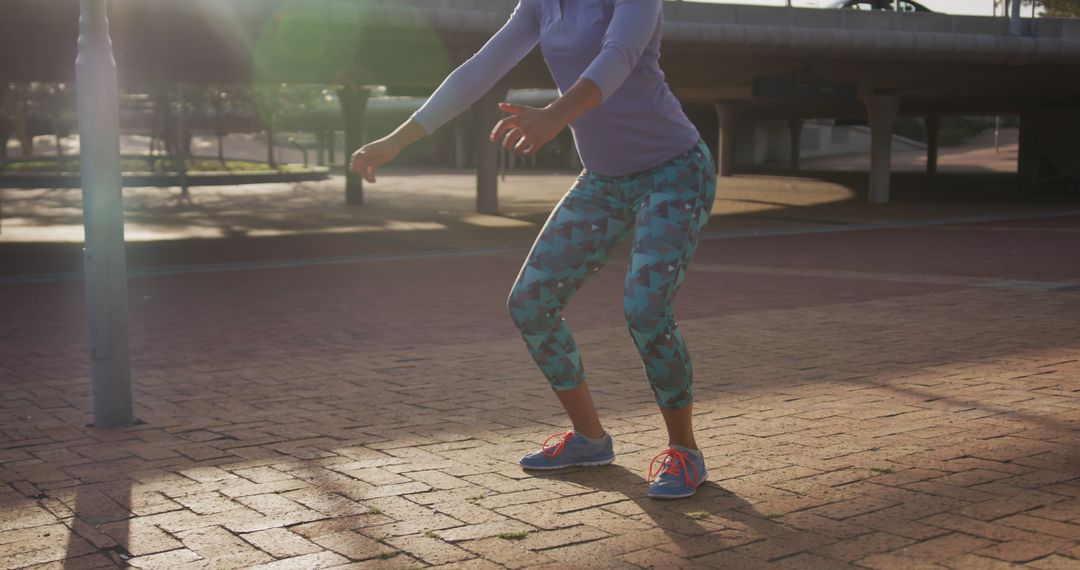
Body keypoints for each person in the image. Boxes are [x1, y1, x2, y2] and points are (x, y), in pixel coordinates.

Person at [350, 0, 716, 499]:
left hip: (675, 170)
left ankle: (684, 451)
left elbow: (619, 55)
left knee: (646, 308)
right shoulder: (539, 3)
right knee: (532, 303)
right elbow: (479, 68)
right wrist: (398, 138)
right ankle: (590, 440)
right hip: (604, 181)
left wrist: (553, 116)